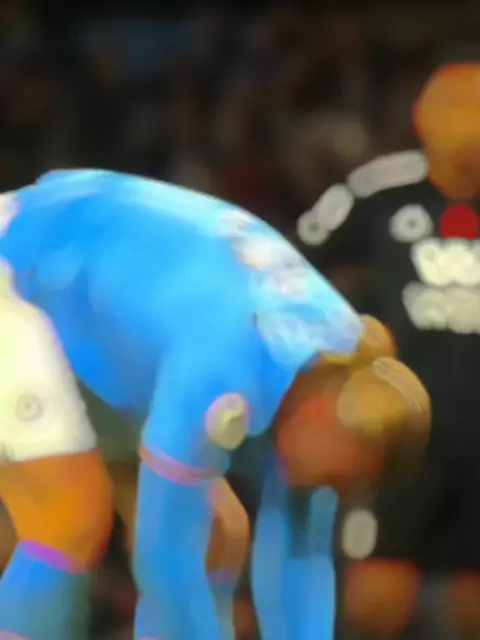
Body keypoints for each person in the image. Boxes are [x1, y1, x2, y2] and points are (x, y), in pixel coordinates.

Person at [0, 169, 430, 640]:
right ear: (316, 418)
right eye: (338, 479)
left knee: (214, 538)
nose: (336, 491)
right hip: (19, 267)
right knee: (69, 519)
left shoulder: (339, 372)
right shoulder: (227, 368)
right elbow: (164, 560)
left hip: (92, 320)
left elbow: (300, 558)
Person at [296, 43, 480, 639]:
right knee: (376, 598)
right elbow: (291, 266)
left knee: (472, 603)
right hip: (401, 426)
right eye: (455, 104)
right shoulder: (379, 190)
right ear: (423, 114)